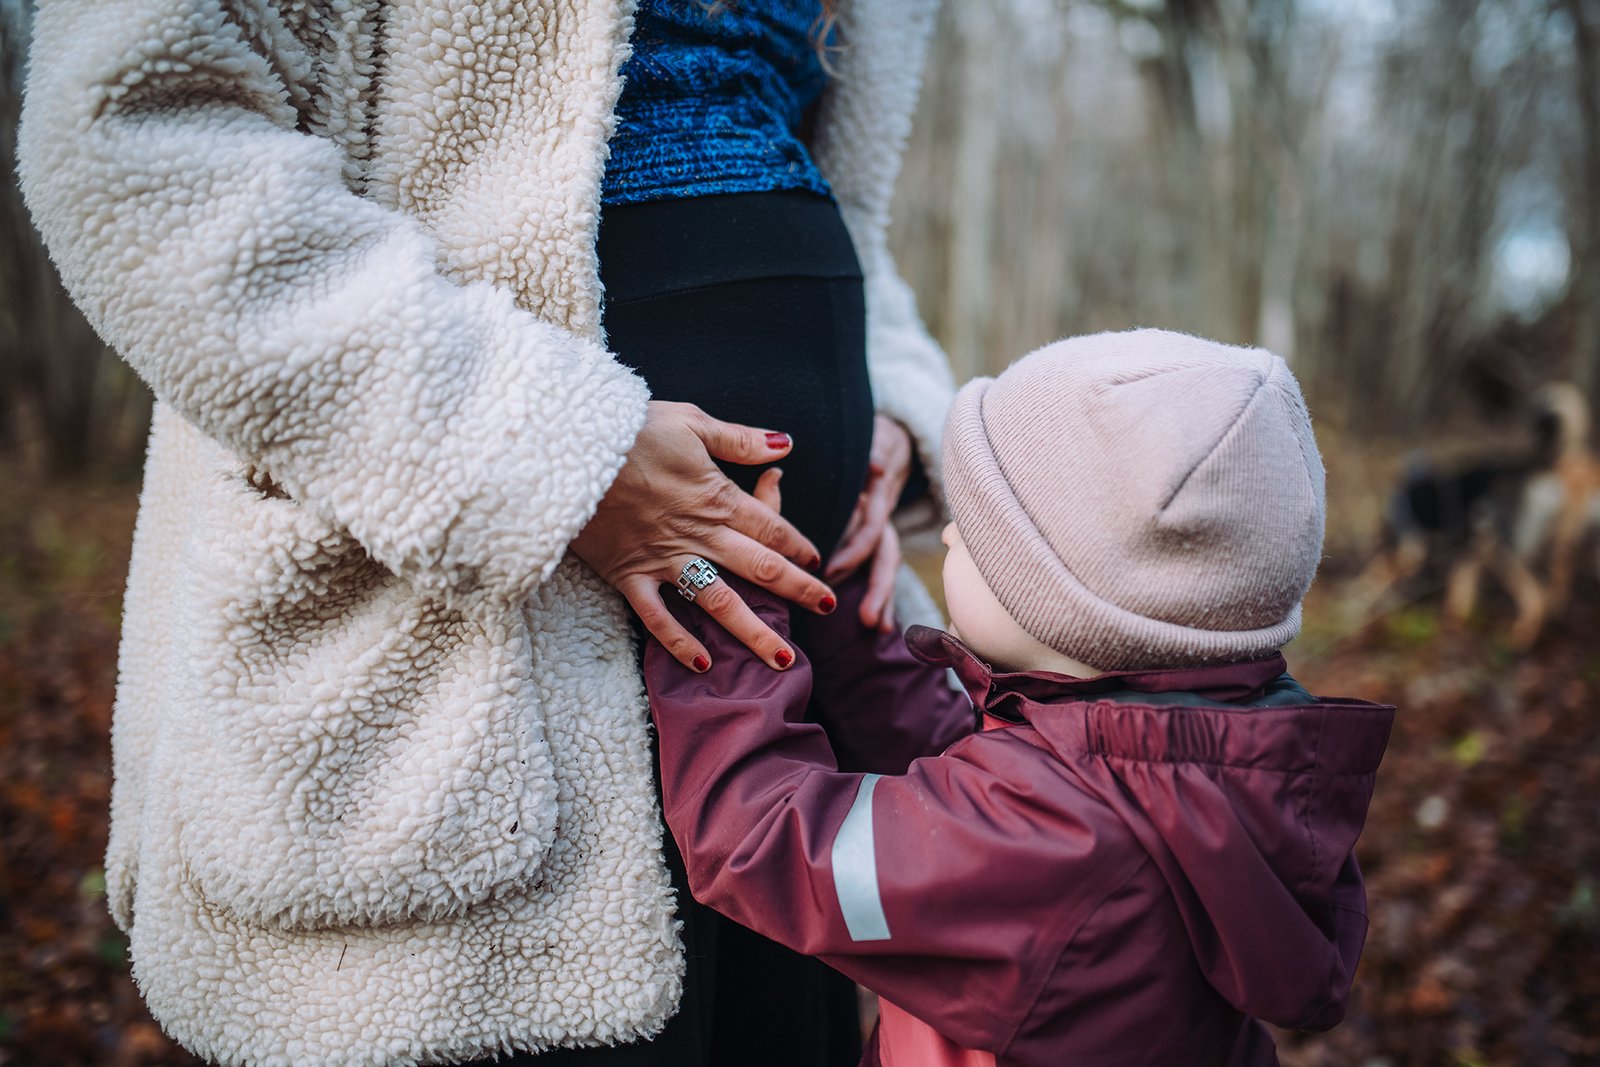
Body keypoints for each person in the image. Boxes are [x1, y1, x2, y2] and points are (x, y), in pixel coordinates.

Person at [17, 1, 958, 1065]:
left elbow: (824, 193)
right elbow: (135, 143)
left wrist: (889, 413)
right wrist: (561, 456)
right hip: (471, 666)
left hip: (802, 706)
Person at [644, 329, 1398, 1066]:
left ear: (1062, 609)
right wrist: (834, 597)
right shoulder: (1175, 765)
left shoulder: (1048, 839)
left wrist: (723, 587)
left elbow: (767, 840)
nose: (943, 535)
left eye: (975, 531)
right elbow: (953, 768)